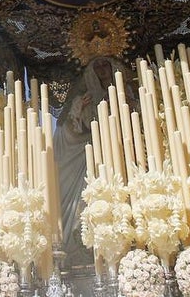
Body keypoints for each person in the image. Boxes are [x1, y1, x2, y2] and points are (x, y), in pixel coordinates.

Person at [52, 55, 136, 266]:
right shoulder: (85, 97)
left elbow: (139, 119)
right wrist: (78, 110)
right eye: (96, 65)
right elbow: (68, 130)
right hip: (90, 154)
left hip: (125, 149)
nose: (101, 69)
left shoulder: (128, 92)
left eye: (104, 64)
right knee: (86, 197)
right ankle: (84, 245)